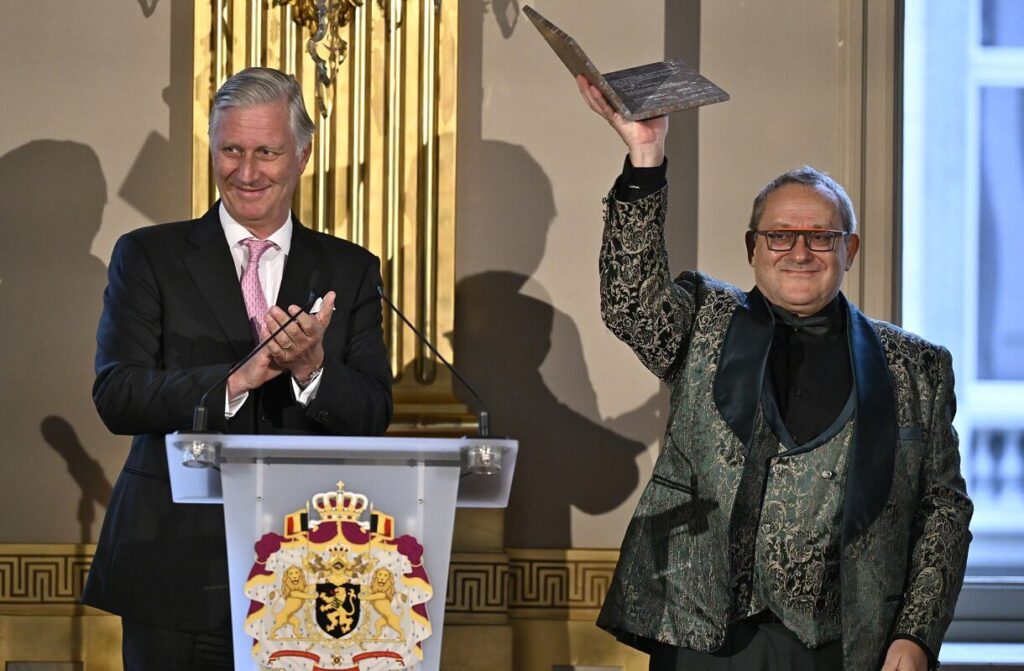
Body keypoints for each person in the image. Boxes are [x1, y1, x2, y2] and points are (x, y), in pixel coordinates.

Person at [577, 76, 972, 671]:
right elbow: (629, 303)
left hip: (844, 644)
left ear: (850, 250)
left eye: (821, 236)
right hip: (703, 636)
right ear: (752, 248)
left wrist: (915, 636)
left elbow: (944, 512)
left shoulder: (917, 367)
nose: (800, 251)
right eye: (780, 235)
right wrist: (645, 158)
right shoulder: (702, 322)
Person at [82, 67, 393, 669]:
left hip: (310, 570)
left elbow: (375, 412)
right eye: (231, 150)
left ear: (302, 155)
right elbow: (117, 394)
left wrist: (313, 369)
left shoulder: (350, 269)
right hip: (171, 563)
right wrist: (236, 380)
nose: (246, 172)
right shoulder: (149, 255)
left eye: (267, 152)